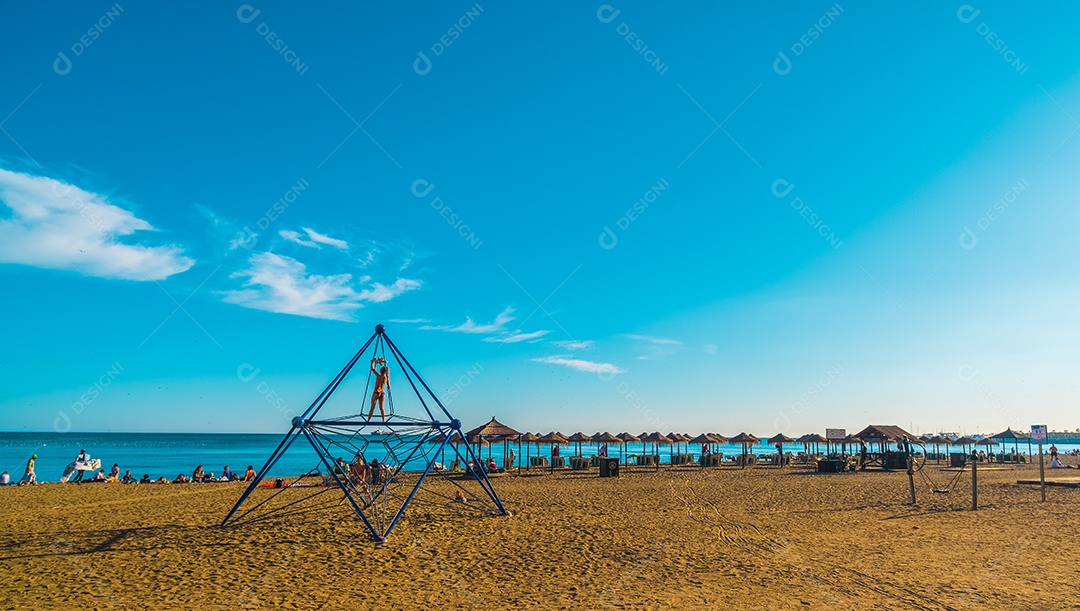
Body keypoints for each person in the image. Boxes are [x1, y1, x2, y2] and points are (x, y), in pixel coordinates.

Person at [367, 357, 391, 421]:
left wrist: (373, 362)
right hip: (382, 393)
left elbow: (372, 369)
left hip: (376, 392)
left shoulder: (378, 376)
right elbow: (389, 387)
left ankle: (368, 420)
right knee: (382, 408)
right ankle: (384, 420)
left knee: (372, 407)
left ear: (381, 371)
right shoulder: (386, 378)